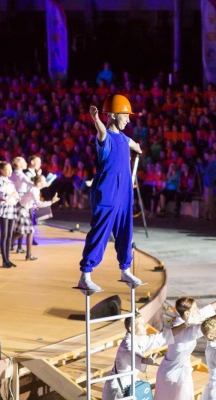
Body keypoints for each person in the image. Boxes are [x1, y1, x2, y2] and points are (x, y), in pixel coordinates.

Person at [77, 94, 143, 292]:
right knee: (101, 230)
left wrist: (137, 147)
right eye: (125, 115)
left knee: (125, 229)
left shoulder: (123, 138)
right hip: (108, 189)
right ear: (113, 115)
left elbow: (134, 145)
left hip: (124, 190)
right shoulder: (105, 137)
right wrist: (96, 118)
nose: (128, 120)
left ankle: (125, 269)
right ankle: (85, 274)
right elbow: (102, 131)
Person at [155, 286, 216, 400]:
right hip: (173, 375)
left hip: (180, 371)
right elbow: (204, 327)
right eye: (195, 308)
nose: (198, 310)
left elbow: (205, 311)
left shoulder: (188, 319)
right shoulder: (180, 331)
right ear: (187, 313)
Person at [102, 312, 167, 399]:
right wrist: (145, 360)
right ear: (131, 328)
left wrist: (180, 328)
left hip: (128, 386)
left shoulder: (141, 339)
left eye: (144, 323)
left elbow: (158, 339)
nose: (145, 326)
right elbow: (133, 355)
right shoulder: (126, 346)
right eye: (141, 324)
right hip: (117, 391)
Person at [17, 175, 60, 260]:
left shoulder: (35, 189)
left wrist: (32, 205)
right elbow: (39, 203)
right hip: (22, 210)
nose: (45, 182)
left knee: (24, 232)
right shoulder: (34, 190)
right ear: (39, 183)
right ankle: (10, 247)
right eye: (44, 181)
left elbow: (30, 200)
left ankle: (27, 254)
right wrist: (51, 202)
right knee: (25, 232)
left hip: (24, 209)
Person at [0, 161, 18, 268]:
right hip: (4, 208)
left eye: (10, 169)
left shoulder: (10, 182)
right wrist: (11, 196)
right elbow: (2, 195)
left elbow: (16, 196)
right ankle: (4, 260)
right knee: (4, 235)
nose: (10, 171)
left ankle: (8, 259)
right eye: (7, 170)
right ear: (2, 171)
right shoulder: (0, 181)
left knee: (9, 235)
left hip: (11, 207)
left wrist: (12, 196)